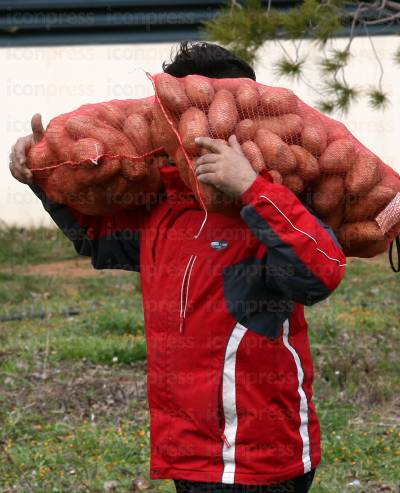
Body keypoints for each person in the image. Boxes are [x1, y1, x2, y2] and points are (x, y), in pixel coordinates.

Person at [9, 41, 346, 493]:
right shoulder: (160, 205)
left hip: (261, 458)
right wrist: (42, 179)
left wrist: (249, 186)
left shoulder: (271, 204)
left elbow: (319, 271)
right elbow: (98, 240)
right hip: (189, 454)